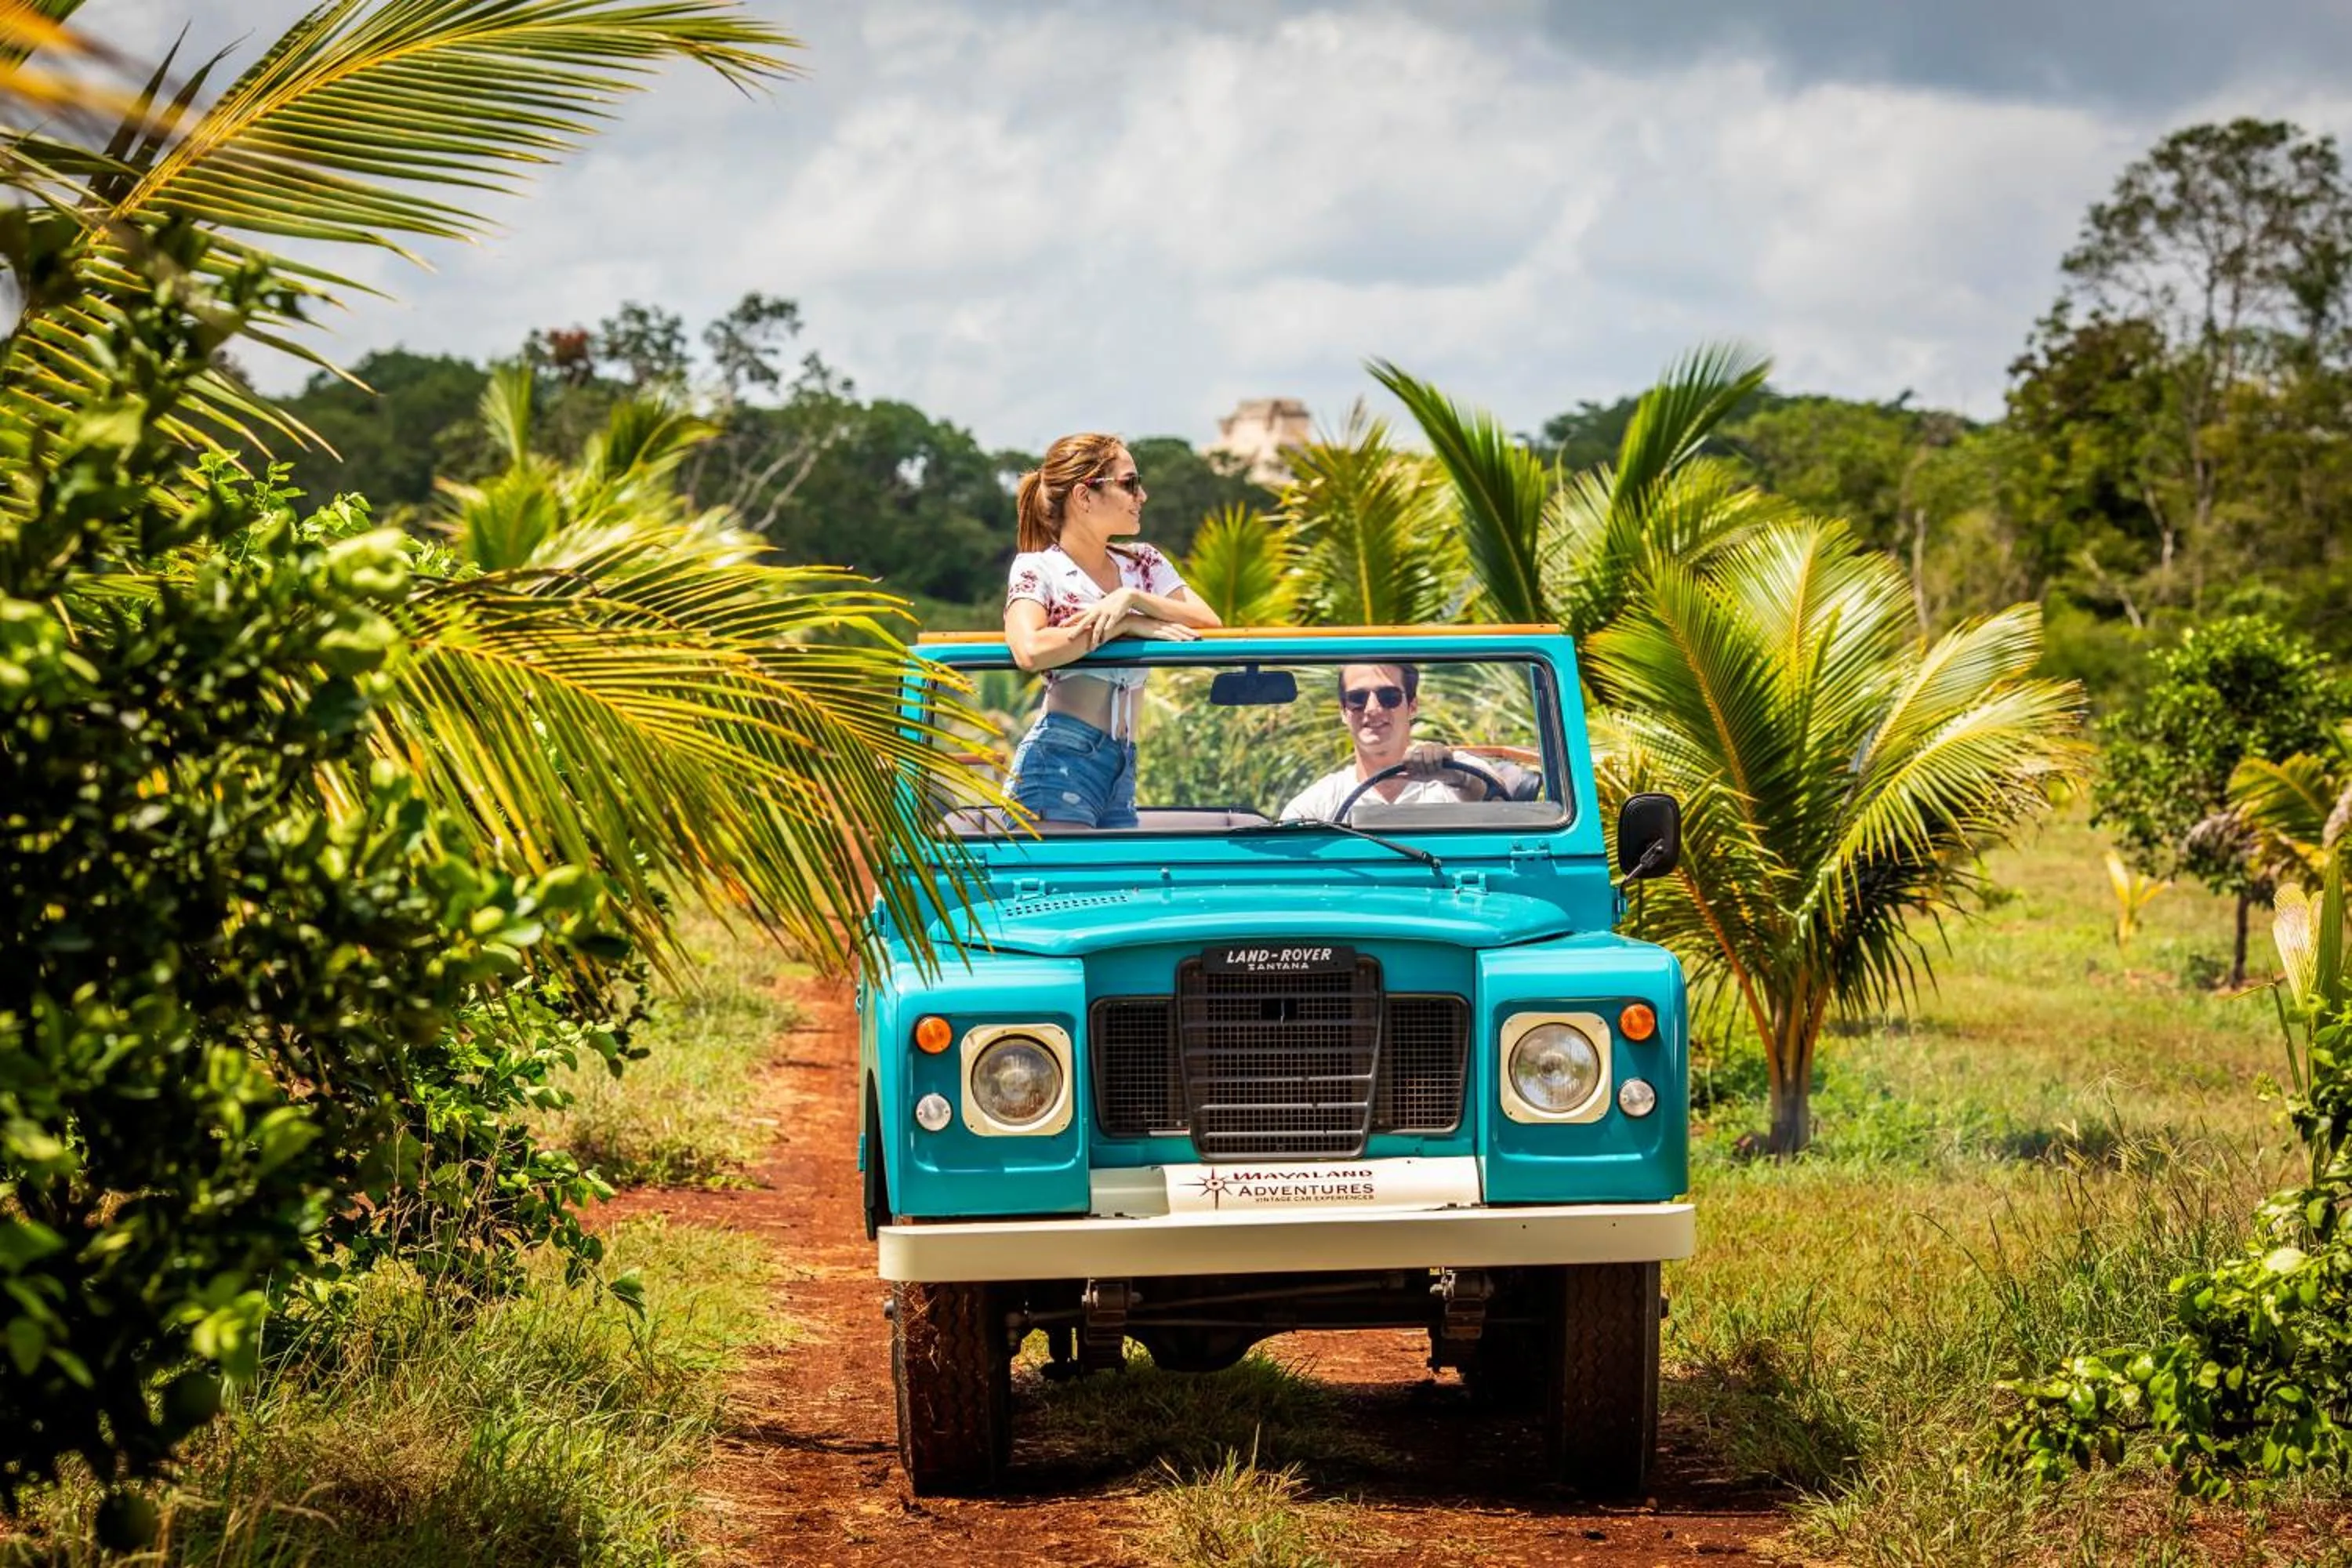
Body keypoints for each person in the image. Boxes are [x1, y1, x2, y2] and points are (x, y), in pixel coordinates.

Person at [1002, 433, 1221, 827]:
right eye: (1130, 483)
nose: (1143, 496)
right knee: (1074, 890)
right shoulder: (1037, 567)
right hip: (1058, 759)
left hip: (1123, 762)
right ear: (1085, 497)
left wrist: (1132, 599)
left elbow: (1208, 622)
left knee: (1120, 888)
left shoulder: (1144, 563)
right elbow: (1029, 650)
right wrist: (1126, 624)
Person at [1279, 662, 1537, 822]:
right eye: (1357, 698)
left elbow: (1500, 810)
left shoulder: (1459, 770)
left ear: (1412, 706)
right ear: (1343, 711)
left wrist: (1451, 774)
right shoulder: (1319, 803)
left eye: (1388, 696)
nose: (1372, 708)